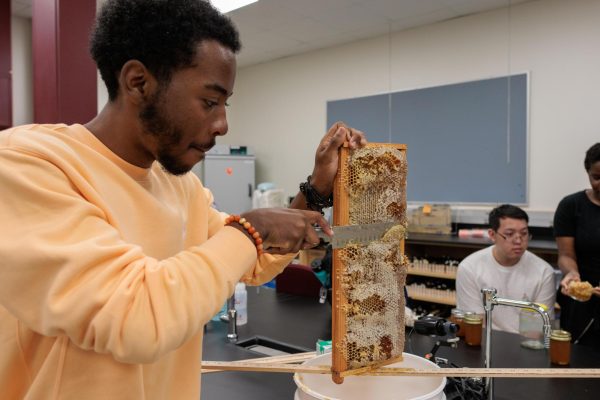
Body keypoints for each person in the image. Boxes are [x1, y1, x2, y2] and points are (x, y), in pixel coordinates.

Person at [0, 1, 366, 399]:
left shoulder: (181, 188)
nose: (223, 124)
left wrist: (315, 190)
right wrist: (251, 228)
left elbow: (251, 258)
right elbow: (136, 318)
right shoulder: (29, 164)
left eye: (226, 104)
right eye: (209, 102)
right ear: (138, 82)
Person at [456, 204, 556, 333]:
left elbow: (536, 330)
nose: (518, 241)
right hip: (485, 340)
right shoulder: (470, 268)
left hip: (524, 343)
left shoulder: (544, 272)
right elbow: (475, 324)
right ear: (492, 235)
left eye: (524, 234)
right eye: (509, 234)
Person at [554, 142, 600, 347]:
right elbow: (566, 254)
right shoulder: (571, 206)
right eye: (596, 178)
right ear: (588, 173)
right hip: (581, 302)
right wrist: (571, 273)